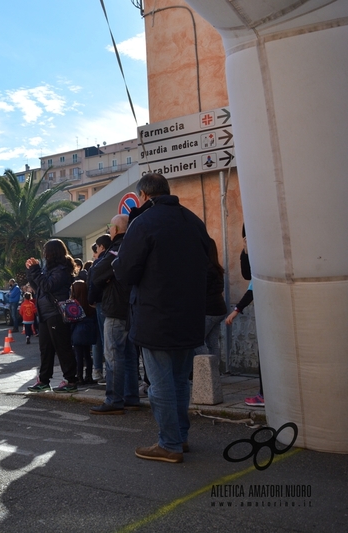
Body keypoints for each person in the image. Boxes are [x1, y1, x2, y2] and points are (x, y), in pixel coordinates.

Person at [113, 173, 210, 463]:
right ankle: (180, 437)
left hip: (156, 315)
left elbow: (127, 272)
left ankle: (169, 444)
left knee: (161, 384)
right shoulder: (193, 221)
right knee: (180, 380)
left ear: (143, 196)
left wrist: (118, 263)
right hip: (190, 315)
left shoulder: (143, 223)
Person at [88, 214, 140, 415]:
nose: (109, 229)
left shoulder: (116, 247)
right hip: (130, 307)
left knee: (113, 356)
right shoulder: (132, 246)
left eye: (110, 226)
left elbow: (97, 273)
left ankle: (114, 400)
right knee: (128, 355)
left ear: (116, 229)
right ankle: (131, 397)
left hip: (116, 307)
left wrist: (106, 278)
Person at [26, 239, 78, 393]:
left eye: (45, 251)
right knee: (45, 348)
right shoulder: (49, 269)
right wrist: (31, 271)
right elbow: (38, 287)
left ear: (52, 252)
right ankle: (43, 380)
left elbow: (48, 285)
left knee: (62, 348)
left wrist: (35, 270)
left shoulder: (62, 269)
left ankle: (71, 380)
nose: (44, 254)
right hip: (45, 313)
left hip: (56, 313)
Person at [225, 282, 261, 406]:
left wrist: (236, 310)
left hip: (269, 315)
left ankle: (263, 395)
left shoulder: (260, 268)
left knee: (263, 356)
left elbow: (252, 290)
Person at [196, 238, 227, 357]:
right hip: (219, 309)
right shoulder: (216, 268)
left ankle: (208, 370)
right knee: (212, 343)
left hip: (208, 310)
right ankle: (214, 372)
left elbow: (201, 291)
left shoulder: (206, 269)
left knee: (197, 341)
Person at [88, 234, 112, 383]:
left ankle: (106, 373)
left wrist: (92, 300)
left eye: (96, 248)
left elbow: (94, 284)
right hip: (116, 304)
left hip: (103, 304)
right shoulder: (117, 255)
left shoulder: (100, 263)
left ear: (101, 247)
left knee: (105, 340)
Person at [70, 280, 97, 385]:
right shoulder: (90, 304)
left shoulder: (73, 305)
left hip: (77, 332)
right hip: (88, 331)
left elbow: (71, 321)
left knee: (79, 356)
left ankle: (79, 376)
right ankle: (89, 376)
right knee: (88, 355)